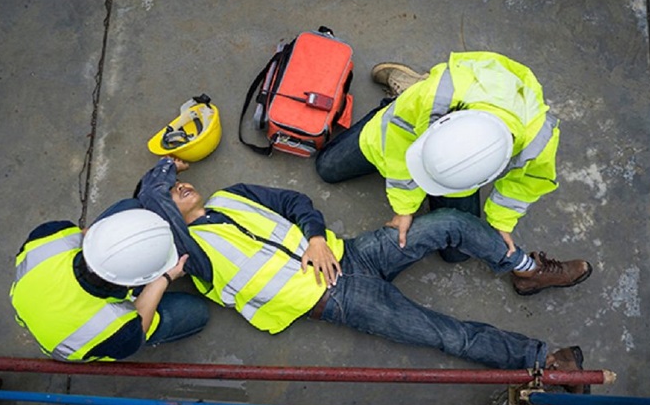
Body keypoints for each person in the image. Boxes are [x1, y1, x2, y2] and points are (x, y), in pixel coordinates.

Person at [134, 157, 588, 387]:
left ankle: (526, 268)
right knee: (448, 336)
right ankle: (545, 358)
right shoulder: (189, 260)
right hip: (340, 301)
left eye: (174, 183)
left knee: (449, 223)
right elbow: (162, 221)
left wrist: (313, 236)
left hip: (353, 254)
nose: (180, 186)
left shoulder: (231, 196)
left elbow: (294, 202)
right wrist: (156, 180)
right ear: (164, 218)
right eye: (170, 193)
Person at [315, 51, 590, 296]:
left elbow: (526, 183)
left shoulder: (539, 137)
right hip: (408, 117)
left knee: (457, 253)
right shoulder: (435, 96)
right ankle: (404, 93)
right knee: (327, 167)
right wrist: (404, 208)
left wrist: (501, 222)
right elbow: (397, 148)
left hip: (456, 145)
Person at [9, 201, 209, 362]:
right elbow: (138, 331)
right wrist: (163, 279)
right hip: (69, 343)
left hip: (34, 299)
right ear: (137, 281)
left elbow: (85, 234)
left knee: (131, 207)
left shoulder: (48, 235)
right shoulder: (116, 330)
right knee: (196, 312)